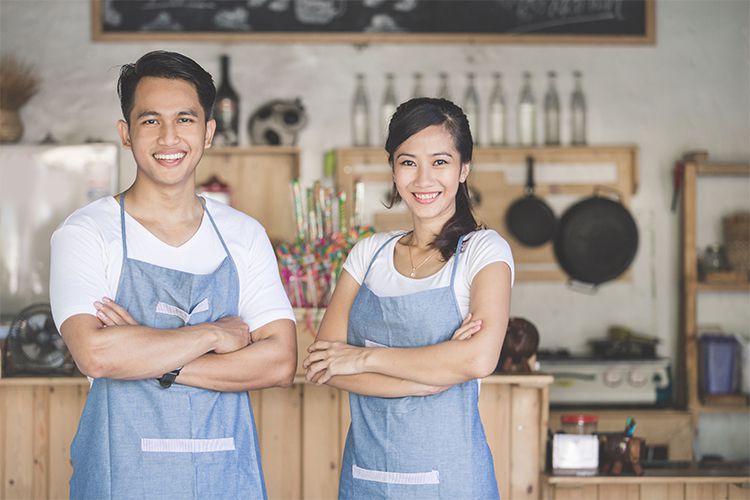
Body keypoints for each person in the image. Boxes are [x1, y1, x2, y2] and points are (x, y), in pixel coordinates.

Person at [49, 51, 296, 499]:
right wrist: (213, 334)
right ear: (126, 133)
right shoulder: (87, 233)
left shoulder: (243, 234)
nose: (168, 137)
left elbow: (279, 362)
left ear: (208, 131)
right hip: (121, 480)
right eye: (150, 121)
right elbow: (97, 355)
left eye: (185, 119)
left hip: (226, 481)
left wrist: (150, 355)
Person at [304, 97, 514, 499]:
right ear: (393, 169)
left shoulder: (484, 252)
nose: (423, 179)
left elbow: (476, 359)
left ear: (463, 168)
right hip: (366, 478)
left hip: (452, 481)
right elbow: (323, 365)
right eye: (408, 162)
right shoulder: (368, 254)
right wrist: (427, 377)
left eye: (439, 162)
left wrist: (362, 356)